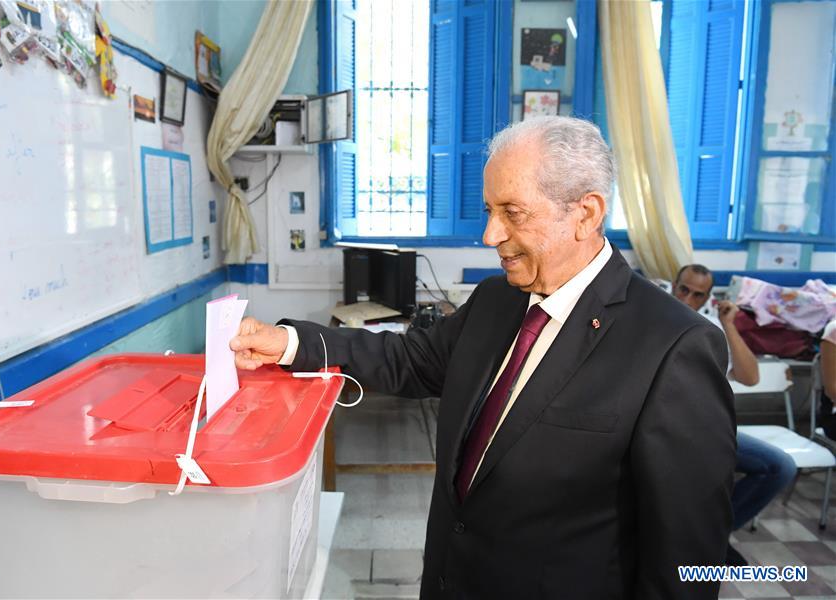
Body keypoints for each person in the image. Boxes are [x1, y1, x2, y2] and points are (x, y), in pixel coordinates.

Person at [231, 117, 735, 599]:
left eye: (513, 213)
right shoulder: (497, 300)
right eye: (489, 211)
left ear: (585, 214)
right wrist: (292, 344)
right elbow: (410, 359)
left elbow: (685, 559)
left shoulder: (674, 347)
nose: (490, 235)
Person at [673, 265, 797, 565]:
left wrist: (729, 324)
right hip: (664, 430)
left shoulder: (710, 328)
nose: (688, 298)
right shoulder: (652, 316)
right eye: (684, 289)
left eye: (698, 294)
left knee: (779, 466)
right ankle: (692, 540)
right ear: (673, 285)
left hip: (707, 431)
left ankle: (712, 536)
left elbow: (750, 377)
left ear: (707, 299)